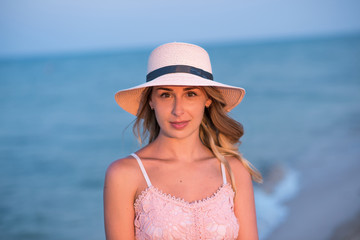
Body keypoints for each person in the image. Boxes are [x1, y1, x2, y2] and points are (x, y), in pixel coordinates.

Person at [103, 42, 262, 240]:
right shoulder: (124, 174)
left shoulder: (233, 170)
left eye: (191, 94)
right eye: (166, 95)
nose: (178, 110)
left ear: (208, 100)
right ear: (151, 101)